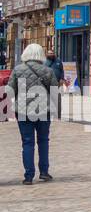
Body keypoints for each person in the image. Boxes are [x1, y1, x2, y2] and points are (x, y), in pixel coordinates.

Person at [6, 44, 58, 184]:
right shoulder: (48, 70)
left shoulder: (18, 70)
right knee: (43, 141)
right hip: (43, 110)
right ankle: (44, 172)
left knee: (27, 142)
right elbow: (54, 91)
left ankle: (28, 176)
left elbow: (9, 91)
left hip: (23, 111)